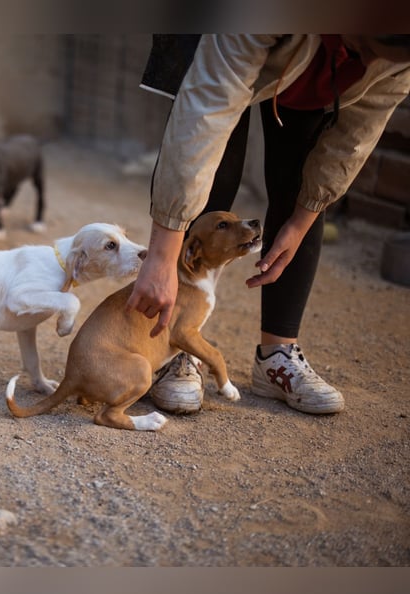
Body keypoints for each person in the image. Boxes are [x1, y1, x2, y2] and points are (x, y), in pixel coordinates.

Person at [131, 35, 410, 415]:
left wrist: (302, 219)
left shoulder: (397, 60)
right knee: (217, 159)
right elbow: (204, 117)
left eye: (383, 60)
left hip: (314, 58)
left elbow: (352, 139)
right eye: (365, 49)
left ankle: (277, 355)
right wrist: (164, 256)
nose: (368, 62)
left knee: (300, 169)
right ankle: (175, 345)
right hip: (229, 36)